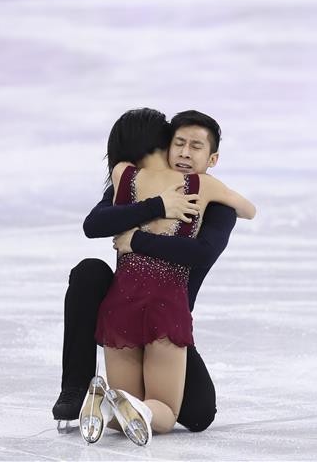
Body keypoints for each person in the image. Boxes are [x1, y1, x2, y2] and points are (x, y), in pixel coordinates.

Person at [52, 109, 241, 434]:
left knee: (198, 414)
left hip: (162, 312)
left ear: (213, 158)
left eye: (195, 146)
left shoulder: (217, 206)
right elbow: (94, 224)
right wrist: (157, 205)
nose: (183, 152)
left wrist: (138, 240)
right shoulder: (136, 187)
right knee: (89, 273)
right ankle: (76, 387)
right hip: (154, 312)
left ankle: (106, 408)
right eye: (178, 143)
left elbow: (203, 252)